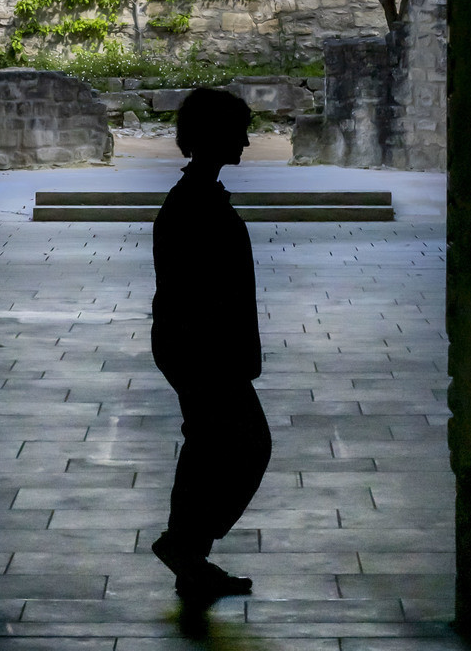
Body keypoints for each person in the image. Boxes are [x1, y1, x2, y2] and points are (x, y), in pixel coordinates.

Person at [149, 86, 272, 608]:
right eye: (238, 130)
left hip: (201, 349)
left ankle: (191, 558)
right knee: (241, 447)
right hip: (203, 350)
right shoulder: (196, 204)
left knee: (212, 449)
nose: (246, 140)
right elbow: (199, 292)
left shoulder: (199, 195)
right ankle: (184, 547)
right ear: (214, 136)